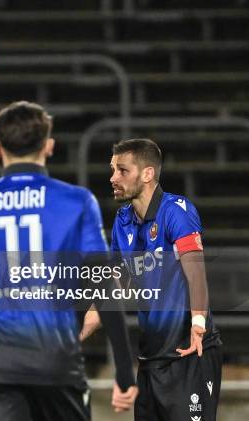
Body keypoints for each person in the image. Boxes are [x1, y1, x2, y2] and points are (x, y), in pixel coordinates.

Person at [0, 101, 139, 421]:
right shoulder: (78, 201)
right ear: (48, 146)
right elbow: (106, 287)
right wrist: (124, 369)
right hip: (57, 362)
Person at [106, 138, 223, 421]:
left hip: (188, 354)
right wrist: (77, 331)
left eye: (122, 170)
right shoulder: (122, 222)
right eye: (112, 169)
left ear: (147, 174)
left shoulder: (176, 211)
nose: (113, 178)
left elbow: (195, 270)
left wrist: (198, 324)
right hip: (149, 360)